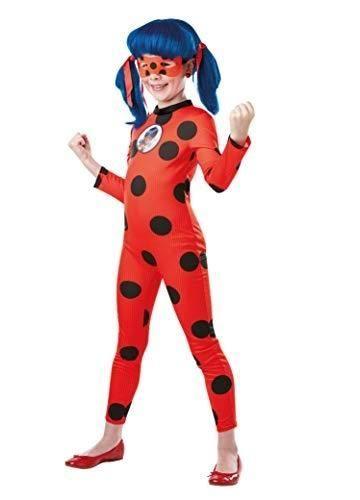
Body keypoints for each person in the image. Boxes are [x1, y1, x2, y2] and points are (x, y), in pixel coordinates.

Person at [66, 18, 254, 486]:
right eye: (145, 66)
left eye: (163, 65)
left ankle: (228, 449)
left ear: (187, 67)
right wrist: (89, 164)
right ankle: (111, 439)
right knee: (127, 346)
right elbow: (135, 192)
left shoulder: (197, 122)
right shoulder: (143, 127)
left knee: (204, 345)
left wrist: (237, 138)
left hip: (179, 250)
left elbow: (218, 180)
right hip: (135, 250)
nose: (152, 75)